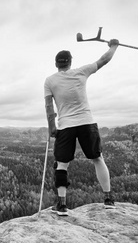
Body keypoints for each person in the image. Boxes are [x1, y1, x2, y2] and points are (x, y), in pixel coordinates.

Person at [44, 39, 119, 216]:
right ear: (70, 62)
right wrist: (114, 46)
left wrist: (52, 128)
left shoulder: (49, 81)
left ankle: (62, 205)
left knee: (62, 164)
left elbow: (49, 107)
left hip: (66, 126)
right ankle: (108, 199)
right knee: (98, 159)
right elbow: (104, 60)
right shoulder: (81, 72)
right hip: (86, 122)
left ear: (56, 64)